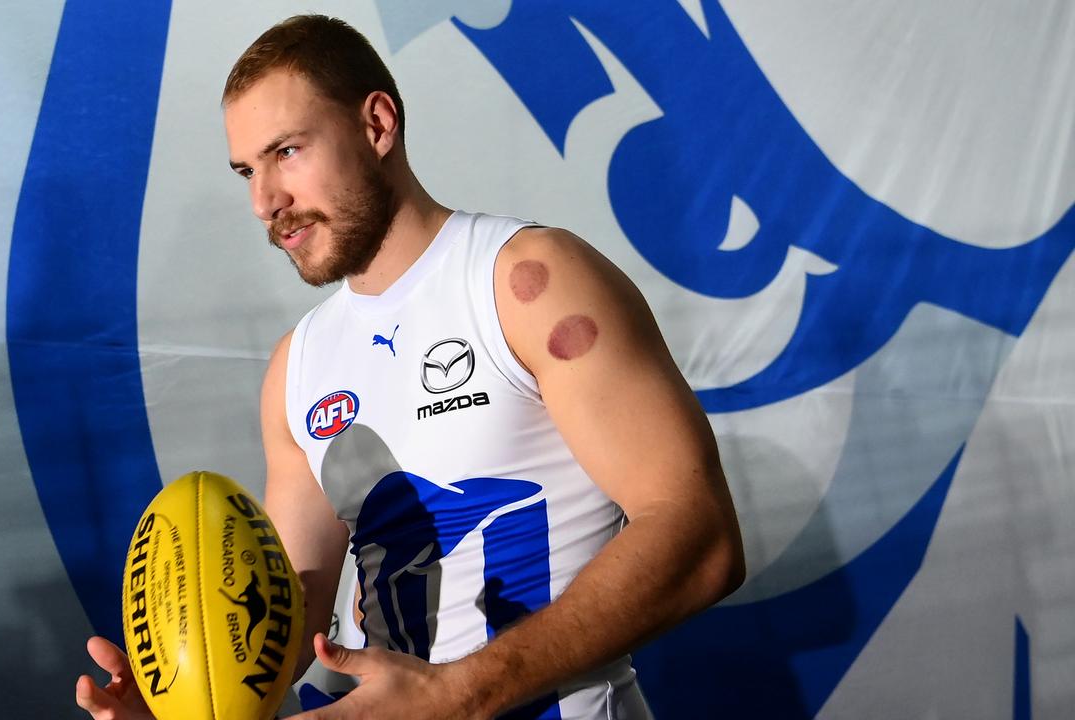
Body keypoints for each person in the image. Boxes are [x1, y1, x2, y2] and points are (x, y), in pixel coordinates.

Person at [77, 14, 744, 720]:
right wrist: (192, 707)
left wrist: (461, 695)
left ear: (377, 124)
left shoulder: (529, 281)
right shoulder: (297, 367)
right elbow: (283, 631)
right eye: (248, 170)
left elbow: (700, 538)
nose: (264, 202)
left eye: (288, 152)